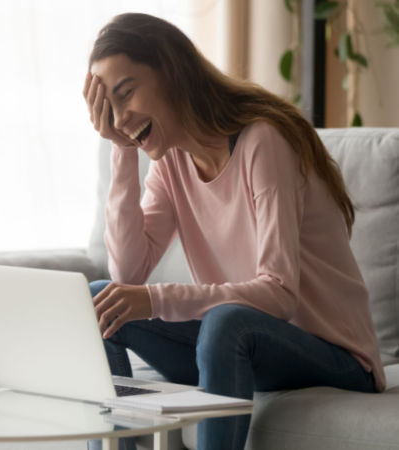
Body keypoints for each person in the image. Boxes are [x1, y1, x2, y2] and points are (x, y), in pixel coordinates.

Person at [83, 12, 385, 450]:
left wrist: (155, 299)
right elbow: (128, 272)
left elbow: (279, 293)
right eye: (108, 105)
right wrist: (120, 149)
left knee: (227, 323)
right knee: (99, 301)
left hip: (332, 355)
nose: (121, 115)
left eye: (126, 93)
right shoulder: (170, 162)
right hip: (234, 351)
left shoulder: (262, 141)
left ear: (170, 71)